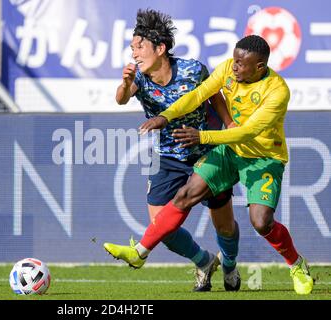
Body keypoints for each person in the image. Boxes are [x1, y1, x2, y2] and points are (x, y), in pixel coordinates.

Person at [105, 34, 314, 295]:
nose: (234, 66)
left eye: (241, 63)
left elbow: (247, 132)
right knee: (186, 194)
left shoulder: (277, 90)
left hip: (263, 157)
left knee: (261, 222)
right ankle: (140, 253)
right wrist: (165, 116)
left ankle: (296, 264)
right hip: (228, 151)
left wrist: (202, 136)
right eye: (234, 60)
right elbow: (200, 94)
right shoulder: (228, 68)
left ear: (259, 67)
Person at [105, 9, 241, 292]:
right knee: (160, 227)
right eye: (132, 49)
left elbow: (214, 96)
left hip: (205, 151)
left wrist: (229, 125)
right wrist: (126, 83)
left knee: (225, 226)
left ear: (161, 48)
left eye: (139, 48)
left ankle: (229, 265)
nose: (135, 54)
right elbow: (120, 99)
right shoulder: (139, 79)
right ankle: (203, 261)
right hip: (167, 157)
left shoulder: (193, 69)